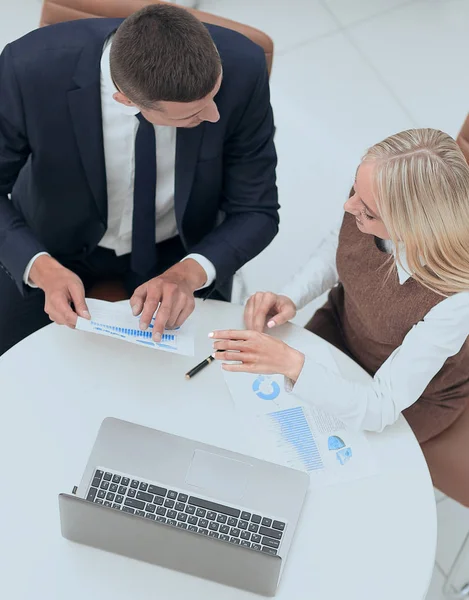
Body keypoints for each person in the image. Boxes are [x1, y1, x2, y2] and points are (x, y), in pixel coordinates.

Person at [0, 4, 279, 355]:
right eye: (194, 115)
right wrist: (40, 268)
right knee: (14, 365)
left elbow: (257, 210)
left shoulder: (243, 66)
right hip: (51, 243)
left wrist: (188, 274)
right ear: (126, 100)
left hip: (179, 251)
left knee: (203, 376)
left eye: (214, 95)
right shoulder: (27, 68)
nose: (214, 114)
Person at [211, 129, 469, 506]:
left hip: (408, 399)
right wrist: (291, 297)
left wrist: (290, 363)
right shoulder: (366, 203)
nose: (350, 207)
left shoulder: (456, 298)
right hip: (339, 332)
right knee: (263, 427)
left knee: (330, 485)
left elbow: (380, 407)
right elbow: (339, 247)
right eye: (354, 191)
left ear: (413, 227)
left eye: (366, 210)